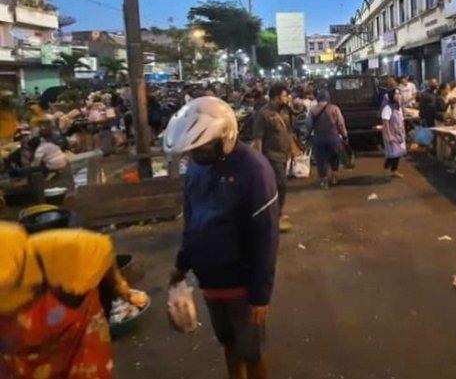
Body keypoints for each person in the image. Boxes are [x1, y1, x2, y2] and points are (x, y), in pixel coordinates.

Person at [164, 97, 280, 379]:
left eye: (202, 147)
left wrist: (260, 296)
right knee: (228, 344)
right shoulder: (197, 168)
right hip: (210, 282)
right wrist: (181, 266)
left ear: (224, 136)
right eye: (192, 150)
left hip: (242, 285)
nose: (196, 154)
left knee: (252, 352)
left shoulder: (254, 169)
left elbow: (266, 238)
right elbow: (192, 221)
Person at [0, 223, 145, 379]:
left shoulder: (59, 248)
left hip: (79, 338)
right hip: (21, 357)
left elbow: (102, 249)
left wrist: (119, 284)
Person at [253, 83, 294, 233]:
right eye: (285, 96)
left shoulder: (284, 111)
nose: (287, 98)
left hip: (284, 155)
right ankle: (274, 215)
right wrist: (259, 161)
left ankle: (277, 213)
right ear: (276, 97)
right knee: (280, 185)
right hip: (271, 156)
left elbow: (287, 131)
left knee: (280, 186)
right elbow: (258, 139)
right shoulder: (263, 114)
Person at [307, 90, 348, 189]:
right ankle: (334, 178)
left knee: (321, 160)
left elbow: (308, 125)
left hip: (318, 138)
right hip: (333, 137)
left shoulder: (312, 110)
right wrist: (345, 135)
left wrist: (308, 136)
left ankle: (324, 181)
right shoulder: (334, 108)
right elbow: (341, 124)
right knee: (334, 158)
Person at [381, 77, 407, 179]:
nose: (399, 96)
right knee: (392, 153)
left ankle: (394, 170)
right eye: (397, 94)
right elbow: (385, 122)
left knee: (398, 153)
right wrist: (389, 135)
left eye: (399, 94)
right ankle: (386, 171)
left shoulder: (398, 106)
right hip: (391, 134)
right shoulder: (387, 107)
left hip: (399, 133)